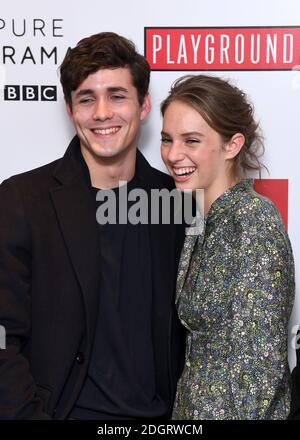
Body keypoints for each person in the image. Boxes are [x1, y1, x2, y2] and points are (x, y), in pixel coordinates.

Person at [0, 32, 186, 420]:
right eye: (87, 99)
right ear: (71, 110)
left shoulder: (175, 201)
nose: (102, 113)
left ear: (144, 105)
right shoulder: (22, 200)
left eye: (117, 96)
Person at [160, 74, 295, 419]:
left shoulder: (252, 221)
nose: (174, 154)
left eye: (191, 140)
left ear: (232, 145)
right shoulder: (203, 219)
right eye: (167, 139)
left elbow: (259, 375)